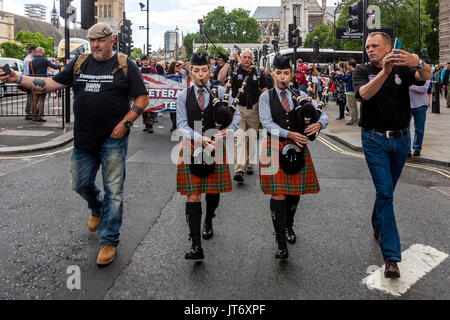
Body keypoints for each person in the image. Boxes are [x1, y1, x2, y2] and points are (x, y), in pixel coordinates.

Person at [0, 23, 149, 266]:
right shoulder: (80, 62)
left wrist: (126, 123)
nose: (95, 45)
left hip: (114, 139)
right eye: (91, 41)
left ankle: (109, 240)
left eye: (99, 40)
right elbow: (48, 84)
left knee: (115, 192)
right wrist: (17, 77)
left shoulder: (125, 65)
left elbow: (142, 97)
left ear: (112, 40)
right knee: (79, 184)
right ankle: (96, 206)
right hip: (83, 140)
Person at [353, 32, 431, 278]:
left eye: (375, 45)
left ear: (388, 47)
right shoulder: (362, 70)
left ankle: (377, 223)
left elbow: (426, 76)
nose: (370, 49)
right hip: (374, 139)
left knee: (386, 192)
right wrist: (384, 72)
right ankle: (392, 257)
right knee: (385, 192)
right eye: (367, 46)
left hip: (400, 141)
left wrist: (417, 62)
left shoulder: (402, 69)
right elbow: (364, 93)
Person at [258, 54, 328, 259]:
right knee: (278, 194)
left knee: (294, 193)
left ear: (292, 74)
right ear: (272, 73)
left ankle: (288, 225)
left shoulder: (301, 93)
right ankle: (281, 241)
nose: (282, 77)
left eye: (286, 73)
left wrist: (319, 124)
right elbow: (267, 123)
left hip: (297, 148)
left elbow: (321, 113)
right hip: (274, 146)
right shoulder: (266, 97)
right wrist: (289, 134)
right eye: (278, 73)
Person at [175, 53, 241, 260]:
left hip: (215, 145)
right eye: (196, 70)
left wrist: (227, 131)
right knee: (193, 195)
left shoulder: (222, 92)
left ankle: (209, 219)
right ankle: (196, 244)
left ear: (210, 71)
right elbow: (181, 124)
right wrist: (198, 137)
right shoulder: (183, 96)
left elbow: (236, 116)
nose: (200, 74)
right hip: (192, 145)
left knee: (212, 191)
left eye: (204, 70)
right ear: (190, 71)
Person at [218, 50, 268, 183]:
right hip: (237, 109)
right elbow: (220, 78)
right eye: (244, 57)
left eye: (249, 57)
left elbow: (264, 90)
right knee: (239, 136)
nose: (246, 59)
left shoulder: (257, 72)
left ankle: (249, 162)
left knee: (251, 136)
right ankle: (239, 169)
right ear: (241, 58)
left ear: (252, 59)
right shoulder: (234, 70)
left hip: (254, 109)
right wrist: (229, 61)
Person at [29, 47, 61, 122]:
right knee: (41, 100)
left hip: (33, 82)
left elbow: (30, 74)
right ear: (42, 52)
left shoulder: (31, 62)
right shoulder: (45, 60)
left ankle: (34, 116)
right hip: (42, 82)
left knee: (34, 100)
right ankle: (40, 116)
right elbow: (55, 67)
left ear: (36, 52)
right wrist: (63, 66)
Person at [409, 79, 430, 157]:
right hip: (407, 104)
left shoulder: (426, 74)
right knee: (405, 129)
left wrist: (410, 86)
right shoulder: (408, 73)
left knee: (419, 129)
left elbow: (423, 89)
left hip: (421, 105)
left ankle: (417, 148)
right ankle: (407, 149)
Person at [337, 60, 358, 125]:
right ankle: (356, 119)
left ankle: (353, 120)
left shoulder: (351, 72)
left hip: (350, 91)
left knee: (351, 106)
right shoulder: (356, 71)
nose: (347, 66)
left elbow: (345, 79)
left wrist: (340, 75)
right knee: (355, 106)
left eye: (348, 65)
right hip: (354, 90)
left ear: (351, 66)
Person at [139, 55, 155, 133]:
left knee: (150, 110)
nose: (145, 61)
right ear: (141, 62)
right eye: (144, 60)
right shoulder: (139, 70)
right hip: (142, 92)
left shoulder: (153, 69)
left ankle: (150, 126)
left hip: (151, 92)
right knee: (144, 110)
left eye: (146, 60)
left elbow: (157, 79)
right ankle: (146, 125)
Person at [167, 61, 184, 132]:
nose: (179, 67)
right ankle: (174, 126)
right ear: (173, 67)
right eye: (177, 66)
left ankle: (175, 127)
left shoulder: (181, 74)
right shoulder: (168, 75)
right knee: (172, 112)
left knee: (177, 112)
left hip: (178, 96)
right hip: (171, 95)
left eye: (179, 66)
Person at [23, 45, 37, 120]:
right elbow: (29, 72)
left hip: (27, 79)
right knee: (30, 97)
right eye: (36, 52)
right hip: (29, 80)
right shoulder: (29, 60)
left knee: (30, 97)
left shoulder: (28, 59)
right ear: (33, 51)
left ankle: (29, 112)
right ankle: (28, 113)